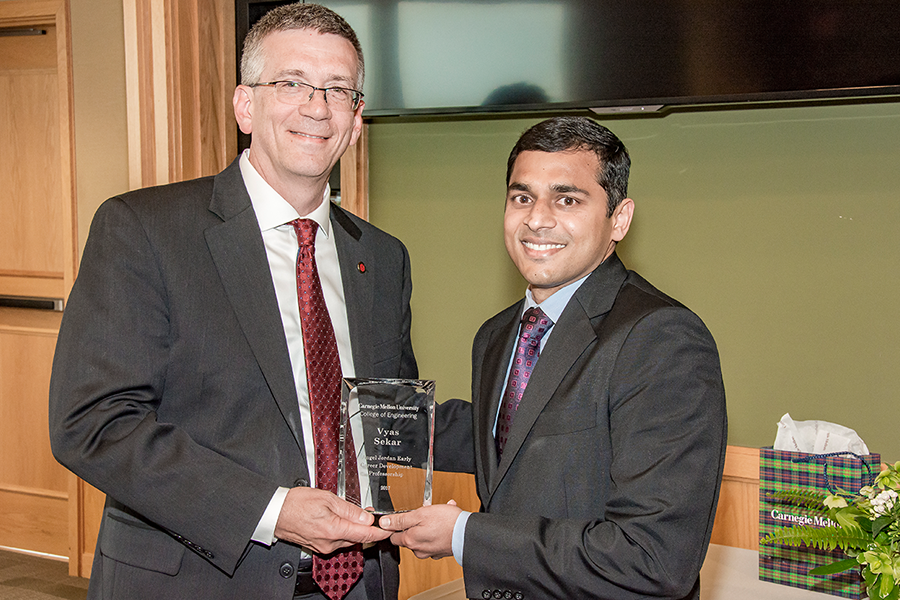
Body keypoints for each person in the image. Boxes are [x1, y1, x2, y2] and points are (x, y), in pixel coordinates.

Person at [48, 4, 414, 599]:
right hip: (199, 580)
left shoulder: (383, 256)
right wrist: (272, 510)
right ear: (245, 105)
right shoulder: (143, 229)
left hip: (359, 582)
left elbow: (386, 414)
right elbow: (92, 424)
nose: (316, 106)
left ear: (355, 118)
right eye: (292, 83)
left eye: (338, 89)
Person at [382, 116, 727, 600]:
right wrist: (352, 420)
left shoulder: (661, 338)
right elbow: (511, 444)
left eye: (567, 199)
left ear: (619, 219)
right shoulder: (497, 335)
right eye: (522, 197)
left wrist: (465, 535)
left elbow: (653, 557)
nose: (537, 218)